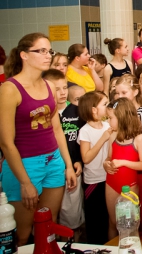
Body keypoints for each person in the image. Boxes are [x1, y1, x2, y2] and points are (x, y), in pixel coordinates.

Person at [0, 34, 77, 246]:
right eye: (41, 51)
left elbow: (57, 130)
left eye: (49, 51)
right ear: (24, 55)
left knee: (48, 226)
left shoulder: (49, 86)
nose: (48, 55)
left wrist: (68, 165)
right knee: (22, 234)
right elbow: (6, 142)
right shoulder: (9, 89)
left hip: (53, 161)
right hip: (25, 164)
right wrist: (25, 182)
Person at [42, 70, 85, 233]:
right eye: (57, 89)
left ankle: (71, 238)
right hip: (49, 167)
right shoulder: (42, 112)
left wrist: (79, 160)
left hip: (73, 167)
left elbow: (83, 139)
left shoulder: (76, 111)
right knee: (48, 212)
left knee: (71, 211)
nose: (62, 93)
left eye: (65, 88)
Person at [104, 98, 142, 240]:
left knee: (129, 225)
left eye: (110, 118)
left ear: (121, 117)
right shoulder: (113, 136)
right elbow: (109, 157)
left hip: (130, 186)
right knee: (113, 222)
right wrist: (106, 163)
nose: (108, 121)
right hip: (111, 183)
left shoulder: (139, 138)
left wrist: (123, 162)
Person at [77, 91, 111, 244]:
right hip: (94, 181)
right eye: (104, 104)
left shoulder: (108, 125)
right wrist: (103, 138)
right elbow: (86, 157)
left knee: (107, 216)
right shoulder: (85, 131)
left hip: (109, 178)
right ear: (93, 109)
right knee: (95, 219)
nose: (108, 106)